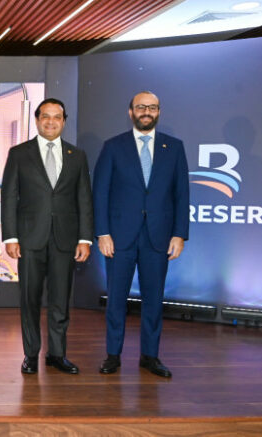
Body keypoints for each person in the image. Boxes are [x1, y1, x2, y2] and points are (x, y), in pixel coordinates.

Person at [93, 91, 189, 378]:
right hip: (119, 237)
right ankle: (113, 355)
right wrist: (102, 233)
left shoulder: (174, 147)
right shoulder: (113, 147)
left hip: (158, 237)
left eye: (152, 107)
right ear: (130, 112)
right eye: (141, 107)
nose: (146, 111)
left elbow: (182, 194)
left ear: (158, 111)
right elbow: (100, 193)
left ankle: (150, 355)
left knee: (154, 299)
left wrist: (179, 234)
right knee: (116, 299)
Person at [0, 98, 93, 375]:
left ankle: (57, 354)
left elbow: (84, 199)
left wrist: (85, 238)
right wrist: (10, 237)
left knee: (60, 299)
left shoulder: (77, 156)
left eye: (56, 117)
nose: (51, 122)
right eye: (45, 116)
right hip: (30, 238)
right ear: (37, 120)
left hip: (65, 239)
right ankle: (30, 355)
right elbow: (9, 197)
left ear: (64, 121)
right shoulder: (19, 153)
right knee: (29, 299)